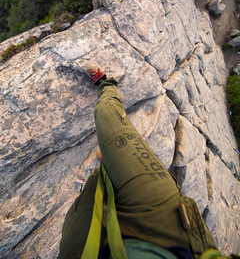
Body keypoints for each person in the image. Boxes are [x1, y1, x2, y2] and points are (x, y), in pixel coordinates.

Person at [57, 67, 228, 259]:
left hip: (84, 251)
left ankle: (106, 166)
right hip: (167, 227)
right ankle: (106, 83)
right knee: (106, 113)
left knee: (92, 189)